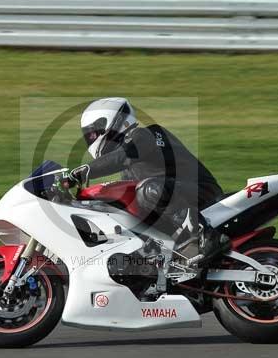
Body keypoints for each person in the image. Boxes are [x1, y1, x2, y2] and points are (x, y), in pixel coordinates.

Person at [69, 97, 229, 265]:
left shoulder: (146, 135)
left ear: (111, 123)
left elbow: (124, 155)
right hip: (180, 197)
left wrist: (86, 170)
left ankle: (205, 237)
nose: (91, 139)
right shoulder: (128, 169)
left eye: (93, 134)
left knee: (148, 189)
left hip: (201, 192)